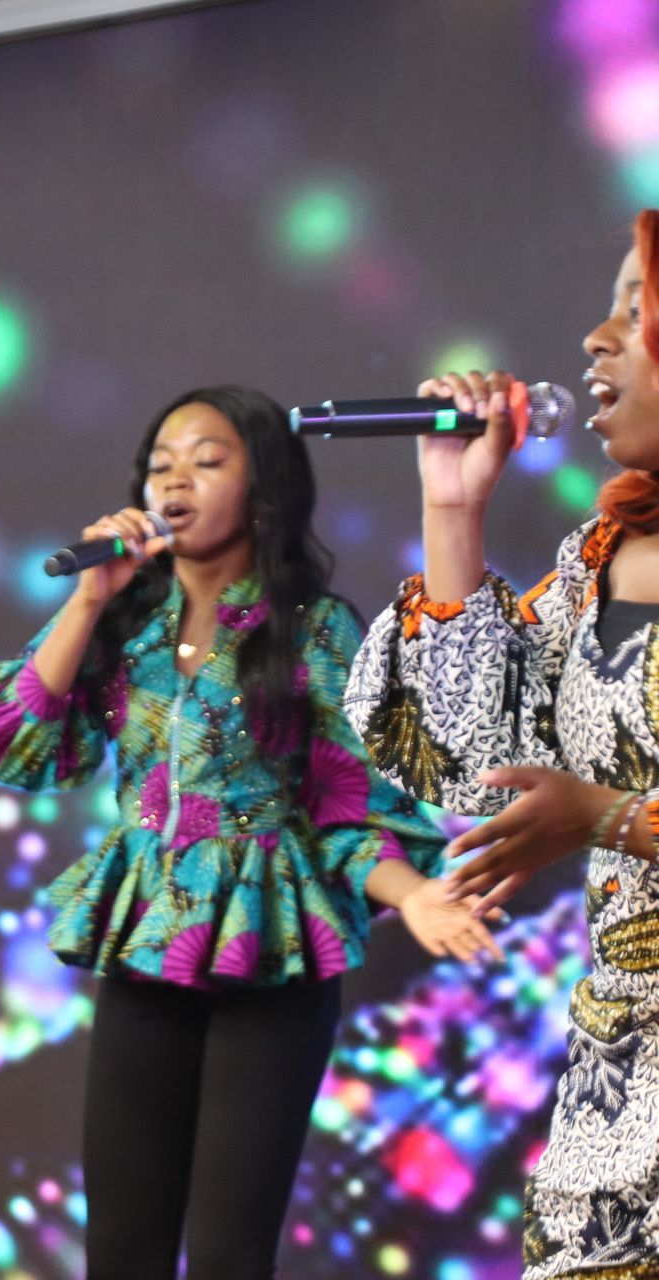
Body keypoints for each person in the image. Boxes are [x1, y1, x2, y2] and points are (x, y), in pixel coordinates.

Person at [0, 386, 477, 1279]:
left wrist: (420, 892)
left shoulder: (314, 631)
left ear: (264, 490)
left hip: (268, 958)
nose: (176, 479)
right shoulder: (125, 624)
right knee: (121, 1250)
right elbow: (17, 741)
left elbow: (349, 814)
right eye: (160, 464)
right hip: (149, 949)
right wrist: (89, 601)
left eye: (206, 460)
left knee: (229, 1254)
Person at [345, 211, 659, 1276]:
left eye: (634, 306)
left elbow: (592, 803)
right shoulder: (600, 556)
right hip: (624, 1076)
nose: (594, 338)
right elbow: (473, 763)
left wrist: (611, 816)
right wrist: (453, 509)